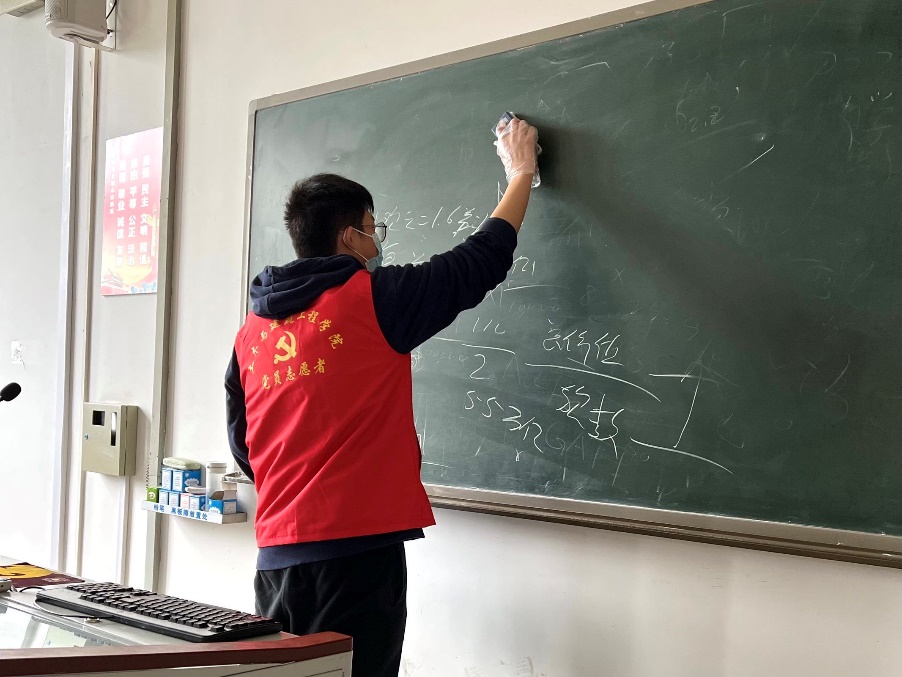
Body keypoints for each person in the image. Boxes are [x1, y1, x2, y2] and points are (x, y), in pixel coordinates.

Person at [225, 116, 539, 676]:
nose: (377, 244)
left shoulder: (252, 330)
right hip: (356, 557)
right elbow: (478, 262)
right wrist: (521, 172)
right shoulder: (373, 299)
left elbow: (244, 445)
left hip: (275, 561)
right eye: (374, 230)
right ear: (350, 237)